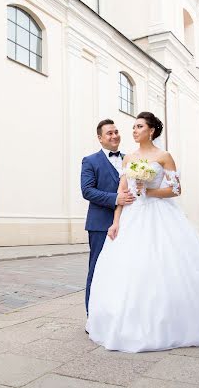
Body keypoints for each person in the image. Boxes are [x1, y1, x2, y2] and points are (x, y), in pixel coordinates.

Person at [86, 111, 199, 352]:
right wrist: (116, 221)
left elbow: (176, 189)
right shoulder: (128, 158)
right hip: (133, 215)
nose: (134, 131)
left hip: (160, 214)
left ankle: (169, 320)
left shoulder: (164, 156)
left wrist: (149, 191)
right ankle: (126, 322)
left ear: (151, 130)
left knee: (163, 264)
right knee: (130, 267)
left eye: (139, 126)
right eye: (133, 127)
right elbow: (123, 192)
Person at [81, 119, 135, 314]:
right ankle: (92, 316)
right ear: (100, 138)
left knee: (123, 270)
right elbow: (87, 191)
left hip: (128, 223)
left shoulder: (131, 159)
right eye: (109, 133)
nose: (114, 136)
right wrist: (116, 198)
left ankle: (117, 314)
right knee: (96, 270)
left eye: (116, 132)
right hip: (100, 224)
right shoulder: (90, 161)